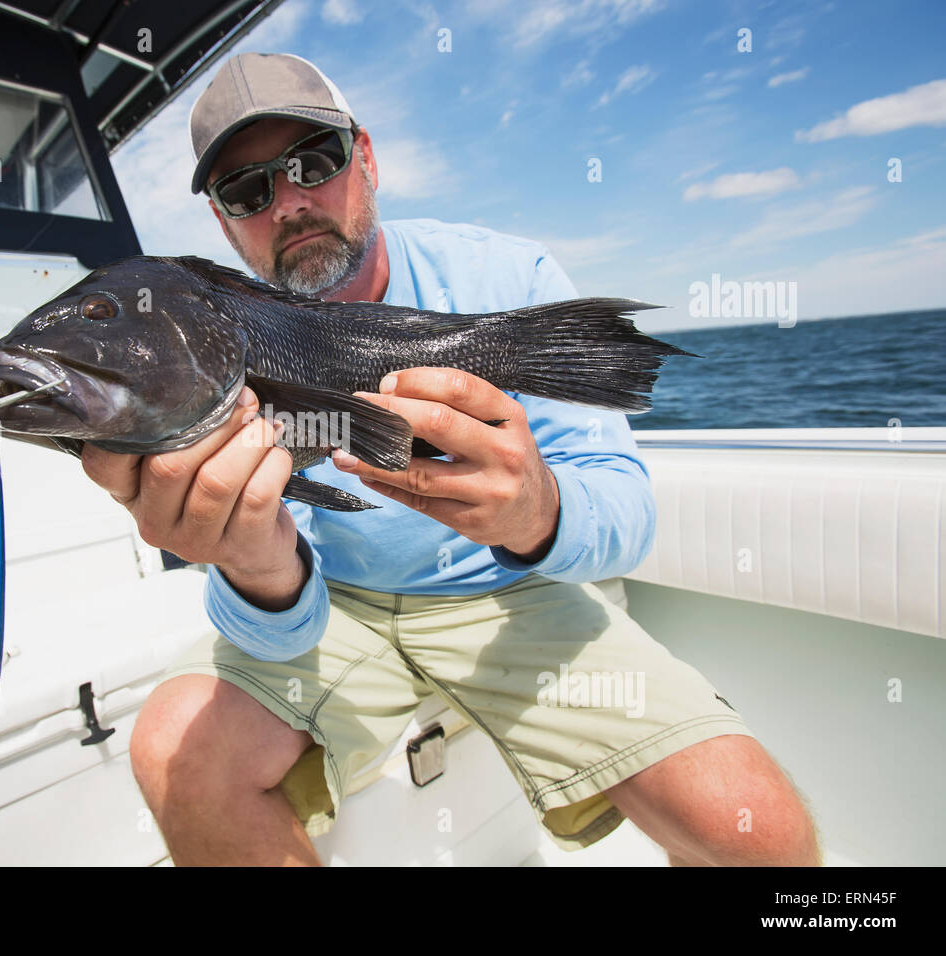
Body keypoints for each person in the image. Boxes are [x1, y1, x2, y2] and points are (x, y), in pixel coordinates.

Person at [82, 52, 820, 866]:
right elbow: (279, 610)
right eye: (248, 190)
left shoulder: (508, 277)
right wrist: (257, 568)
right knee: (173, 759)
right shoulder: (206, 346)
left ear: (365, 159)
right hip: (336, 609)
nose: (288, 203)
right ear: (224, 223)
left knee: (762, 832)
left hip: (510, 596)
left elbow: (628, 514)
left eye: (313, 162)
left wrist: (538, 511)